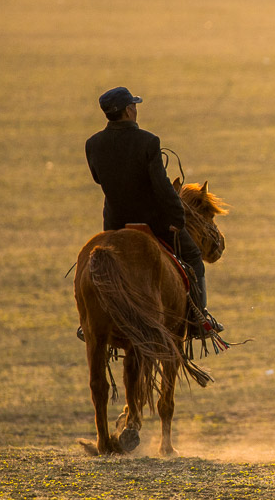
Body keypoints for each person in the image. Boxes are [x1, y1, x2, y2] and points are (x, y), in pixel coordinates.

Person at [83, 86, 222, 338]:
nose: (135, 109)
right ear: (128, 110)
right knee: (191, 257)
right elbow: (162, 187)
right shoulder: (149, 142)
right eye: (133, 106)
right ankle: (198, 321)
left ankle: (88, 322)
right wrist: (176, 219)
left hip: (115, 224)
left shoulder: (92, 144)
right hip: (153, 222)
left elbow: (97, 178)